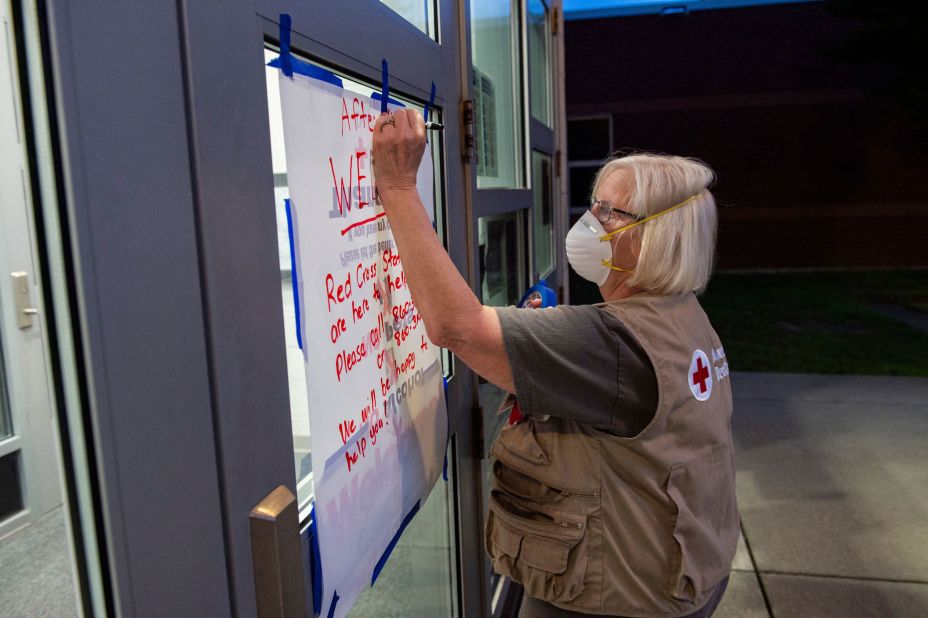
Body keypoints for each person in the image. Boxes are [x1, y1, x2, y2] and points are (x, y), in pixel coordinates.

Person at [372, 108, 739, 618]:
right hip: (681, 573)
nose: (590, 222)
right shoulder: (682, 313)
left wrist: (396, 187)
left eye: (611, 213)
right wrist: (553, 355)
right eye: (594, 205)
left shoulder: (610, 341)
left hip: (617, 599)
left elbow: (454, 326)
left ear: (657, 236)